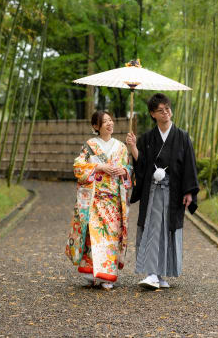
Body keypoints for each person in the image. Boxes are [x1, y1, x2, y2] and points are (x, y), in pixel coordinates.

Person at [126, 93, 199, 289]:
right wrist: (133, 147)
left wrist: (189, 192)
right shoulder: (148, 138)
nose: (166, 112)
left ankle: (160, 274)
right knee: (152, 228)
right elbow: (142, 164)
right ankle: (151, 273)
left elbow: (189, 166)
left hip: (173, 191)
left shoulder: (182, 137)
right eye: (160, 110)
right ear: (153, 114)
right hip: (153, 192)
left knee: (167, 229)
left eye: (167, 108)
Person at [66, 111, 132, 290]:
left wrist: (123, 171)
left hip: (113, 200)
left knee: (110, 237)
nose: (110, 124)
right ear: (96, 127)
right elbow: (78, 166)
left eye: (111, 120)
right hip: (95, 199)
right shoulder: (90, 145)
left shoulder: (121, 147)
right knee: (94, 237)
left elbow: (128, 168)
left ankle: (107, 277)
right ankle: (92, 273)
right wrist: (99, 166)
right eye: (105, 122)